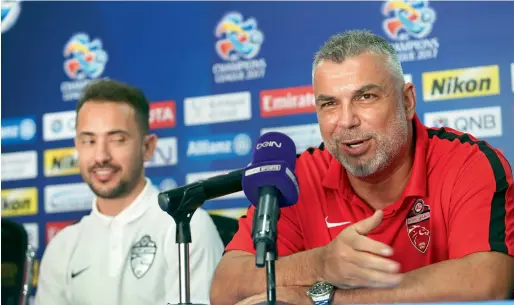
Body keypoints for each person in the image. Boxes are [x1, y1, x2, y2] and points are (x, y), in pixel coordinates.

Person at [209, 30, 514, 305]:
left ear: (407, 101)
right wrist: (320, 265)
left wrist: (327, 297)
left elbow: (489, 281)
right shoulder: (299, 177)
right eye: (329, 104)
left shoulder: (467, 162)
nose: (346, 121)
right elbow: (225, 286)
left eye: (365, 97)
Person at [36, 79, 225, 305]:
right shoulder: (62, 247)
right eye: (89, 140)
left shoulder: (187, 227)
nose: (100, 156)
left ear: (148, 147)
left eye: (117, 139)